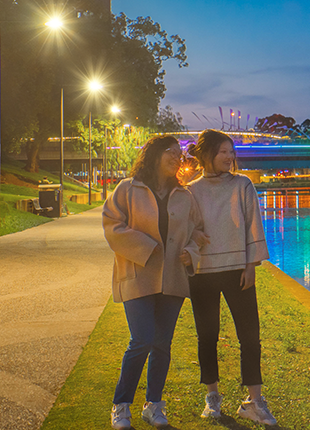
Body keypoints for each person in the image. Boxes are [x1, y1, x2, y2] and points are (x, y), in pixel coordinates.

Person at [104, 136, 207, 430]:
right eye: (170, 152)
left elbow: (197, 232)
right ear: (154, 155)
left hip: (173, 276)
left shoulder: (185, 195)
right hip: (138, 275)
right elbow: (111, 224)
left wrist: (191, 253)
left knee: (162, 343)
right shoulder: (128, 189)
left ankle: (154, 405)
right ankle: (121, 406)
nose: (177, 157)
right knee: (141, 340)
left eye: (179, 153)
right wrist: (146, 247)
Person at [188, 130, 277, 426]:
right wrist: (193, 236)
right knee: (207, 336)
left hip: (238, 269)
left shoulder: (243, 185)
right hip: (202, 273)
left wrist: (251, 264)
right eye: (223, 152)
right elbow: (184, 232)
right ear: (207, 155)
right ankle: (212, 397)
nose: (229, 157)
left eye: (231, 151)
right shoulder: (190, 191)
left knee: (250, 336)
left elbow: (253, 223)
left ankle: (255, 400)